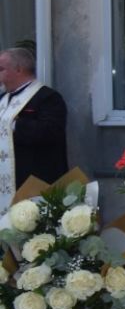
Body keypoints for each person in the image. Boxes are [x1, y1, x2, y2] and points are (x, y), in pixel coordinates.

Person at [0, 47, 68, 214]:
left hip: (34, 182)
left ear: (18, 69)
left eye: (1, 69)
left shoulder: (47, 98)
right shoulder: (3, 99)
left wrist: (13, 124)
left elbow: (50, 132)